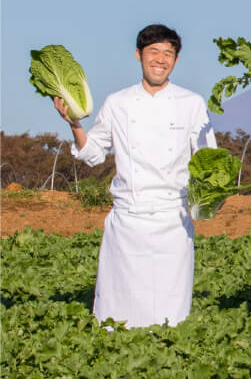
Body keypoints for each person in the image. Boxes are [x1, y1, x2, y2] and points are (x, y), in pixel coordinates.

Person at [55, 24, 216, 328]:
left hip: (173, 220)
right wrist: (75, 124)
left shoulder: (192, 103)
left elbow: (209, 161)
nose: (160, 59)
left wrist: (207, 200)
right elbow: (94, 154)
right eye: (153, 51)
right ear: (139, 55)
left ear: (176, 61)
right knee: (118, 316)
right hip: (128, 220)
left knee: (169, 317)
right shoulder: (118, 102)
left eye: (168, 53)